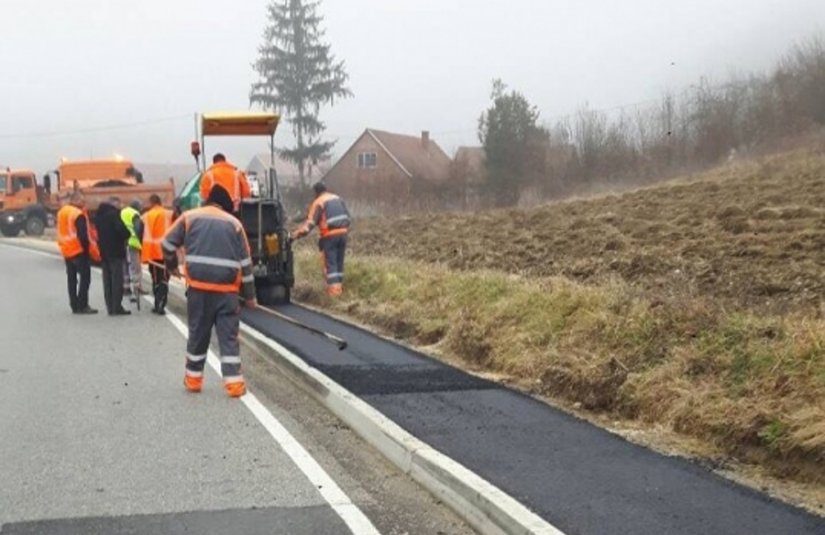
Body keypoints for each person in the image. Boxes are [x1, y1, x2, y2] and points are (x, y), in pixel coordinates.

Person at [162, 186, 256, 398]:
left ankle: (194, 380)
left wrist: (171, 266)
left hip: (199, 290)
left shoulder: (189, 217)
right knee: (229, 337)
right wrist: (250, 297)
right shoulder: (235, 225)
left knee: (198, 334)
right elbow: (246, 265)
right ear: (226, 205)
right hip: (227, 293)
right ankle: (234, 385)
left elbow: (167, 243)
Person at [291, 182, 351, 297]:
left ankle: (334, 294)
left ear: (316, 192)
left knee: (331, 264)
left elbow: (309, 224)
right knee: (339, 264)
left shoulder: (318, 202)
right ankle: (340, 291)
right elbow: (348, 217)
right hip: (343, 234)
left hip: (330, 236)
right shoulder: (337, 198)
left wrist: (294, 235)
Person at [56, 193, 98, 314]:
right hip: (78, 250)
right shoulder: (78, 214)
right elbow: (83, 236)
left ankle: (74, 305)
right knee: (85, 278)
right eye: (82, 200)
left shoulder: (61, 212)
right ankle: (83, 305)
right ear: (76, 200)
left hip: (66, 249)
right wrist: (87, 250)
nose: (84, 203)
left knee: (72, 279)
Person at [94, 197, 131, 316]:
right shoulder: (114, 215)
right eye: (119, 204)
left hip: (103, 251)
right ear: (115, 204)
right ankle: (117, 307)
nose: (120, 206)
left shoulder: (99, 216)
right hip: (115, 251)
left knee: (107, 280)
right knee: (116, 280)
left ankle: (109, 306)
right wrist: (127, 234)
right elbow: (121, 230)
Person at [141, 194, 172, 315]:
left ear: (151, 203)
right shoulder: (170, 214)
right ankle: (161, 304)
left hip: (152, 253)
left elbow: (139, 233)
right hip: (167, 252)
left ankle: (157, 304)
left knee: (156, 279)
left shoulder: (145, 216)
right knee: (164, 278)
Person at [121, 199, 145, 299]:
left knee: (125, 265)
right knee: (135, 267)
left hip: (123, 243)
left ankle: (126, 288)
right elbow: (138, 228)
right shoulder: (135, 214)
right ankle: (137, 288)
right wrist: (140, 241)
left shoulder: (122, 212)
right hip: (133, 243)